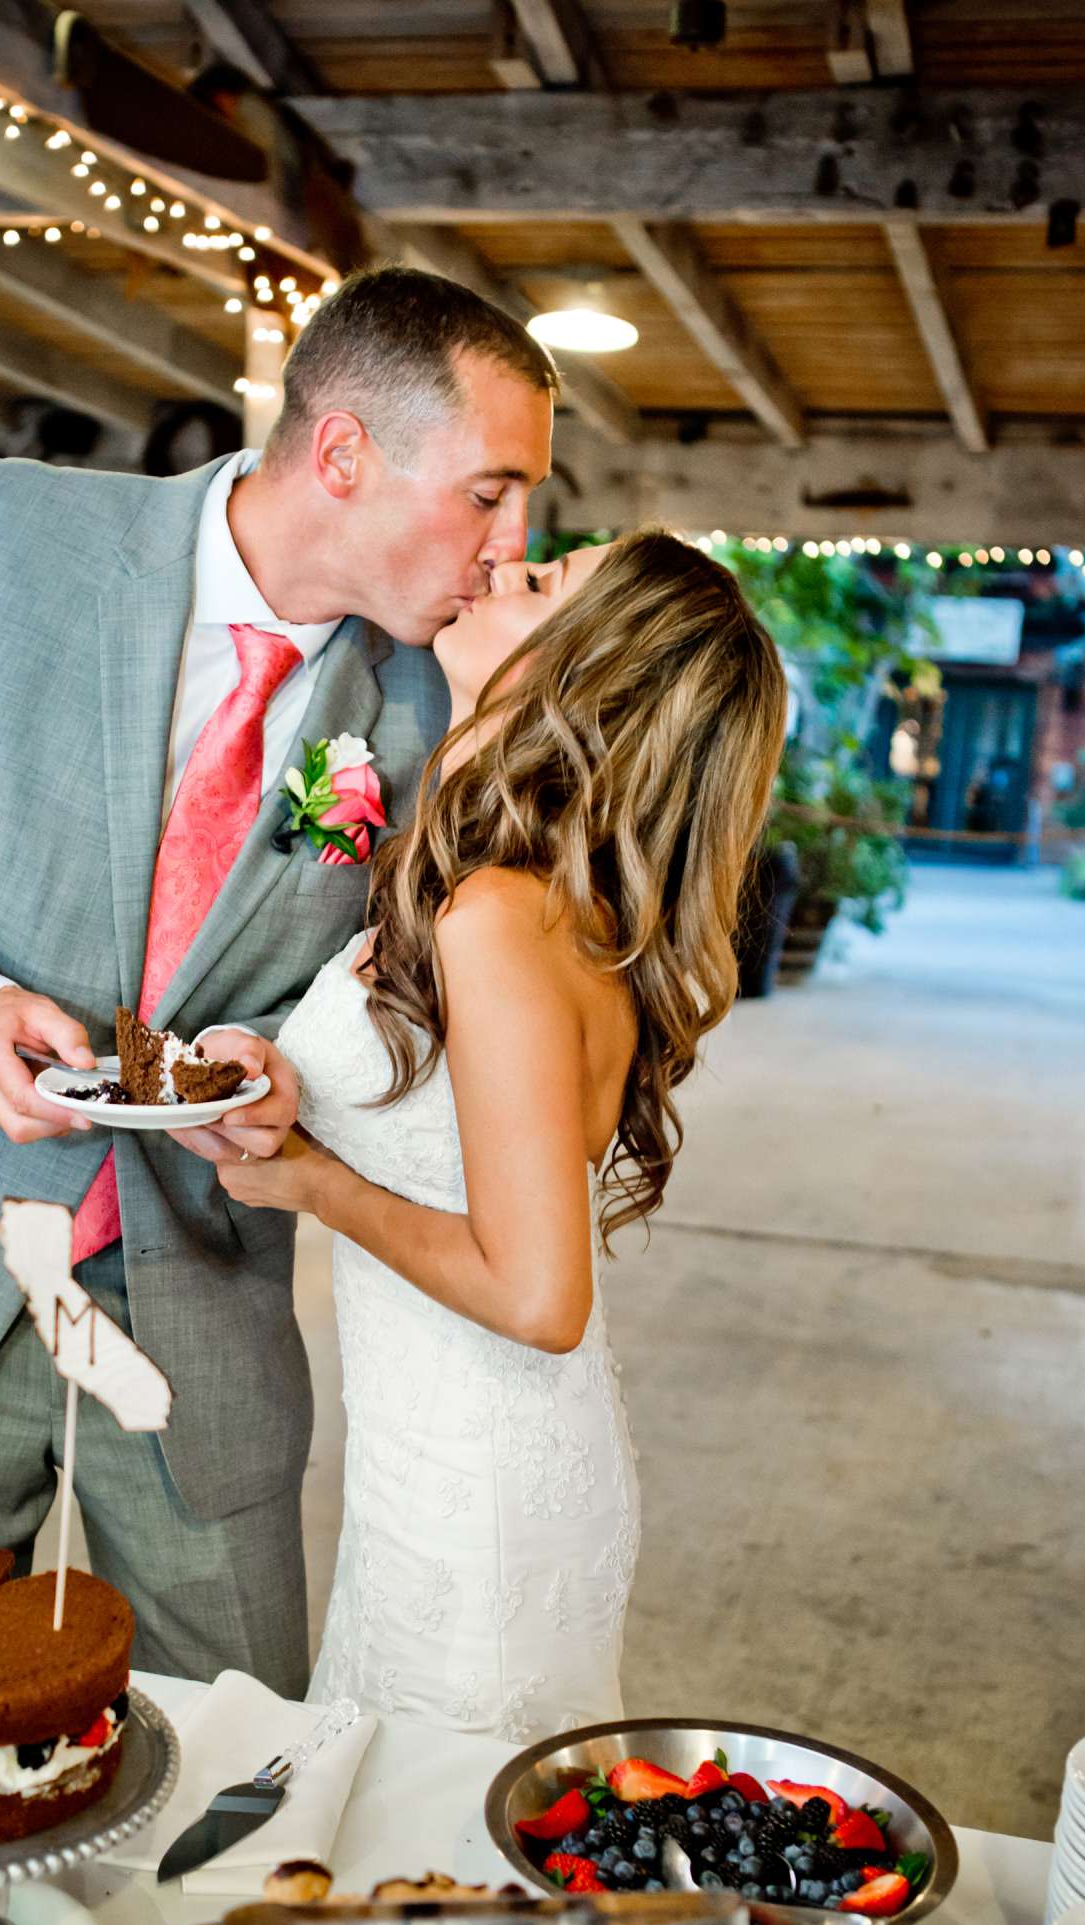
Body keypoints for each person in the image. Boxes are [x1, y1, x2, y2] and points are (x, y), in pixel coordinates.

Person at [0, 267, 557, 1696]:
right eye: (490, 491)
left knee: (242, 1766)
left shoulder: (444, 695)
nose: (513, 540)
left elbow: (415, 994)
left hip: (204, 1314)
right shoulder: (6, 536)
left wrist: (300, 1069)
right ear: (345, 452)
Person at [217, 531, 788, 1739]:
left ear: (585, 677)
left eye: (540, 586)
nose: (498, 567)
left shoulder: (502, 915)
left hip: (475, 1491)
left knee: (437, 1854)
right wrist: (282, 1081)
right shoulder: (512, 889)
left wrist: (316, 1185)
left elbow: (541, 1296)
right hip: (433, 1458)